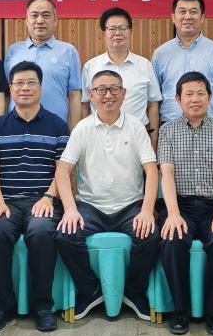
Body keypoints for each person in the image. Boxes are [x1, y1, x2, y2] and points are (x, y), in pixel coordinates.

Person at [55, 70, 160, 321]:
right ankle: (90, 290)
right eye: (101, 90)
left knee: (150, 236)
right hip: (90, 206)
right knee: (65, 235)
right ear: (91, 95)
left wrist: (147, 210)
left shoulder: (136, 126)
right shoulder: (82, 128)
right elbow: (62, 171)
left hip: (129, 206)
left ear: (124, 94)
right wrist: (70, 209)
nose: (108, 95)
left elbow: (151, 170)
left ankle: (133, 291)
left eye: (114, 89)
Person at [0, 61, 69, 332]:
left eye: (31, 82)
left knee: (42, 231)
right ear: (10, 89)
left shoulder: (58, 126)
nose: (25, 88)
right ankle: (2, 306)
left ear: (41, 88)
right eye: (19, 83)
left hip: (43, 200)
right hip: (5, 201)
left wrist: (49, 197)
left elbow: (64, 170)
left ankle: (43, 307)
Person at [157, 72, 213, 336]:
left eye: (201, 94)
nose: (195, 99)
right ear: (178, 98)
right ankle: (180, 311)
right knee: (172, 240)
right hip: (180, 206)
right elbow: (166, 174)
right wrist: (172, 213)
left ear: (210, 97)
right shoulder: (167, 130)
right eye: (189, 94)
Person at [80, 6, 162, 146]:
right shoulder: (91, 66)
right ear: (104, 33)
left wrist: (153, 142)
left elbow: (153, 105)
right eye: (112, 29)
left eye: (123, 28)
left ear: (130, 32)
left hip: (137, 138)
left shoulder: (145, 65)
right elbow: (85, 105)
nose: (117, 33)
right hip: (100, 138)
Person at [152, 0, 213, 125]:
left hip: (209, 127)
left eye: (193, 12)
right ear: (173, 17)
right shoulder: (160, 54)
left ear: (202, 18)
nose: (188, 17)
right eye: (182, 11)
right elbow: (154, 99)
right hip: (169, 127)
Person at [4, 0, 82, 128]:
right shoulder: (13, 51)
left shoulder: (68, 51)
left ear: (55, 20)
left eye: (46, 15)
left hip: (55, 129)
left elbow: (74, 95)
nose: (40, 20)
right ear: (27, 20)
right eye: (34, 15)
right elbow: (7, 92)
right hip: (17, 128)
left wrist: (74, 132)